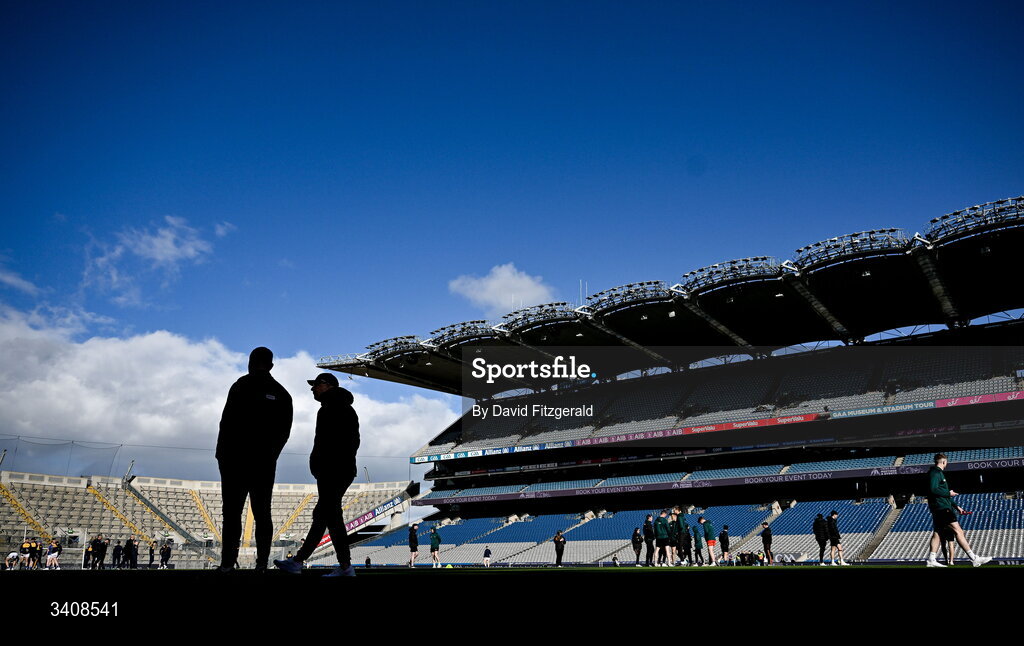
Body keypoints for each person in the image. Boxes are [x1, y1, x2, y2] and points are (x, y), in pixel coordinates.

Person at [275, 373, 359, 578]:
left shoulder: (332, 408)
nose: (312, 389)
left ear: (326, 385)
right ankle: (298, 561)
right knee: (322, 516)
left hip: (333, 470)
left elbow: (333, 443)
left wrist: (324, 465)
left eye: (316, 385)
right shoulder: (340, 407)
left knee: (331, 516)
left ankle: (345, 566)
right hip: (338, 469)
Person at [217, 347, 293, 573]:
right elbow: (284, 433)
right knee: (262, 513)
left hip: (235, 461)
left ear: (249, 362)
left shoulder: (240, 386)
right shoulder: (281, 392)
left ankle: (227, 563)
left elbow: (226, 423)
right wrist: (269, 456)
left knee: (231, 513)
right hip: (262, 462)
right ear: (271, 365)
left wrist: (223, 455)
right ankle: (261, 563)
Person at [925, 453, 991, 568]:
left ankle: (931, 559)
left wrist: (957, 507)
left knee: (938, 533)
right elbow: (933, 490)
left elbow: (941, 494)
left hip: (941, 507)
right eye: (946, 462)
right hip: (942, 508)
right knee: (958, 531)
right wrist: (948, 493)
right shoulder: (936, 473)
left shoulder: (936, 473)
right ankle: (974, 558)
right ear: (944, 462)